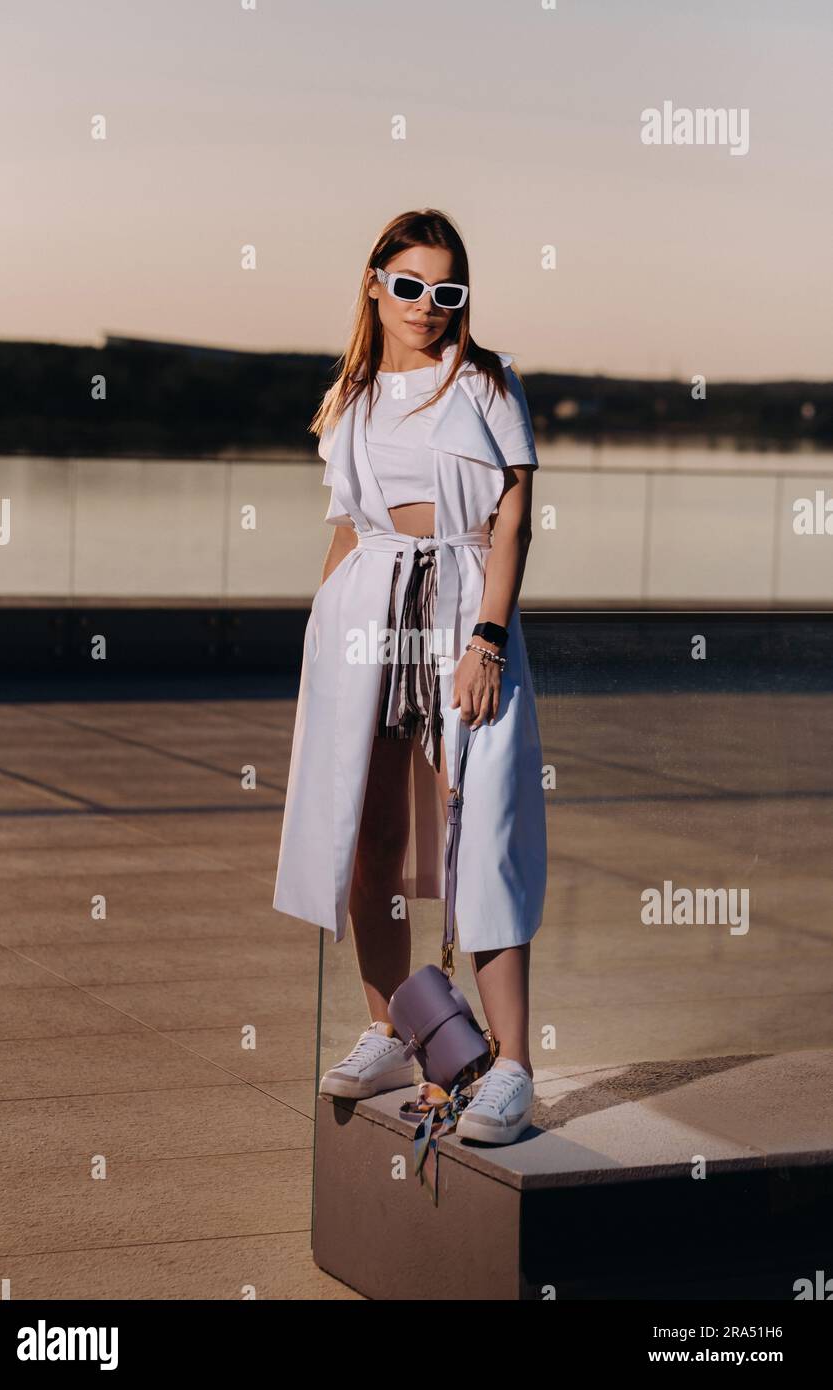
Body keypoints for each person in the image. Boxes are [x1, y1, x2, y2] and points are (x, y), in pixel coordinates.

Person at [273, 209, 547, 1145]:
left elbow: (512, 519)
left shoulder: (486, 380)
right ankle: (394, 1029)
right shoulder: (350, 394)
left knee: (482, 827)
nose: (426, 306)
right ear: (374, 284)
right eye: (409, 285)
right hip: (364, 608)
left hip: (462, 603)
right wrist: (322, 650)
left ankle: (511, 1064)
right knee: (369, 829)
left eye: (447, 291)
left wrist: (487, 641)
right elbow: (347, 529)